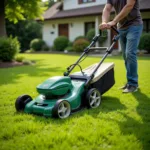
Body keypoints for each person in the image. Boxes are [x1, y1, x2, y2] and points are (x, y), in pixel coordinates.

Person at [99, 0, 143, 93]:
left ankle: (133, 84)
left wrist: (114, 21)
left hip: (134, 24)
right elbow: (107, 8)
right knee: (125, 56)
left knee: (130, 53)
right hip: (121, 27)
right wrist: (104, 21)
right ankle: (130, 83)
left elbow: (129, 6)